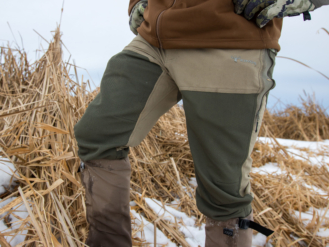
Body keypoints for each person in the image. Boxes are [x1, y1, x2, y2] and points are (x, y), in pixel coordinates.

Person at [74, 0, 328, 246]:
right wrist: (137, 4)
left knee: (223, 189)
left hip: (231, 40)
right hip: (155, 39)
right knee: (98, 135)